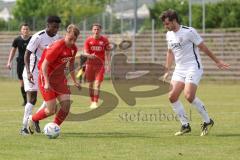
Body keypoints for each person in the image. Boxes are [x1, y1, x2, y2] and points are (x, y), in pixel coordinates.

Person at [160, 9, 229, 136]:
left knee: (189, 96)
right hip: (179, 69)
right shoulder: (169, 35)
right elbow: (170, 53)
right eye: (164, 24)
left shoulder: (189, 31)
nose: (166, 26)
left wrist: (217, 61)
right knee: (172, 96)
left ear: (174, 20)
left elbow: (203, 47)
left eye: (167, 23)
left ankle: (207, 121)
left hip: (193, 66)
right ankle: (185, 125)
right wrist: (167, 71)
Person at [28, 24, 80, 134]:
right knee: (51, 110)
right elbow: (44, 66)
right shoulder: (57, 46)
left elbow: (71, 65)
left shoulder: (74, 49)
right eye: (70, 39)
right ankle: (32, 119)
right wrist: (46, 82)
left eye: (74, 40)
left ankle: (54, 128)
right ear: (66, 35)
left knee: (66, 106)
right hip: (46, 76)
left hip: (60, 79)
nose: (72, 42)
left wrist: (75, 81)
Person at [21, 16, 61, 135]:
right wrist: (28, 72)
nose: (56, 30)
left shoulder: (57, 37)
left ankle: (35, 119)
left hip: (46, 71)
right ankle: (24, 127)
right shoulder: (38, 37)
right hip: (33, 70)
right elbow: (27, 55)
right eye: (54, 27)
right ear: (48, 25)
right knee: (32, 98)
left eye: (57, 27)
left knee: (49, 99)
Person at [82, 23, 111, 109]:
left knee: (97, 84)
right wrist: (89, 56)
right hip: (90, 65)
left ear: (100, 30)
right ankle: (92, 101)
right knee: (90, 84)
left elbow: (108, 53)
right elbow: (85, 52)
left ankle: (95, 102)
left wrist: (108, 64)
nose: (96, 31)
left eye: (98, 29)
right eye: (94, 29)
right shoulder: (88, 41)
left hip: (100, 65)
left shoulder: (105, 40)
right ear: (92, 30)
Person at [6, 23, 31, 106]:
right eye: (24, 29)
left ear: (29, 30)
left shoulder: (32, 39)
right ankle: (25, 101)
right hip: (20, 63)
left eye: (27, 29)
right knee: (22, 82)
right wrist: (9, 62)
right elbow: (13, 51)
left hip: (30, 63)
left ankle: (30, 100)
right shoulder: (17, 40)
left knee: (31, 81)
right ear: (21, 30)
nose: (25, 31)